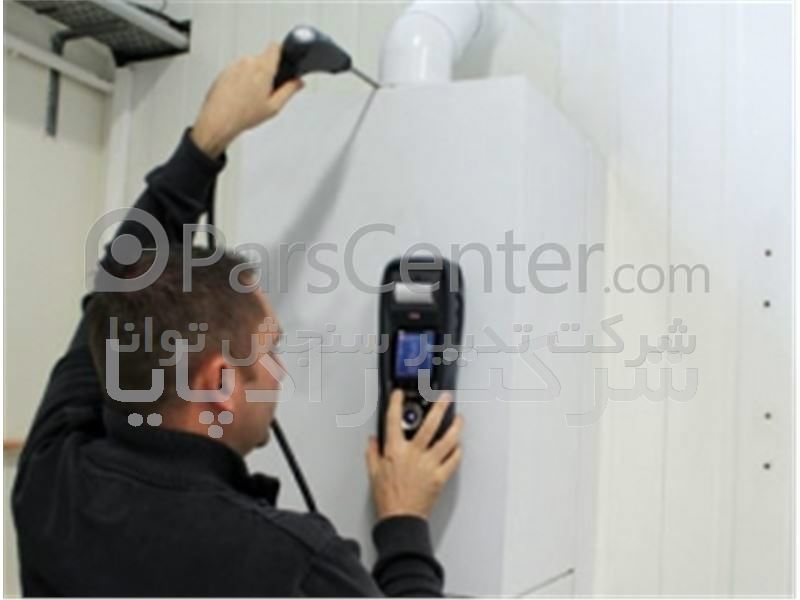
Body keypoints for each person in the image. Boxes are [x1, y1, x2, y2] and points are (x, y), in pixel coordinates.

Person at [12, 43, 463, 597]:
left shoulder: (52, 485)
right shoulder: (295, 566)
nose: (280, 370)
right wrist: (405, 527)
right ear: (220, 383)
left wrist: (205, 143)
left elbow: (114, 291)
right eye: (270, 350)